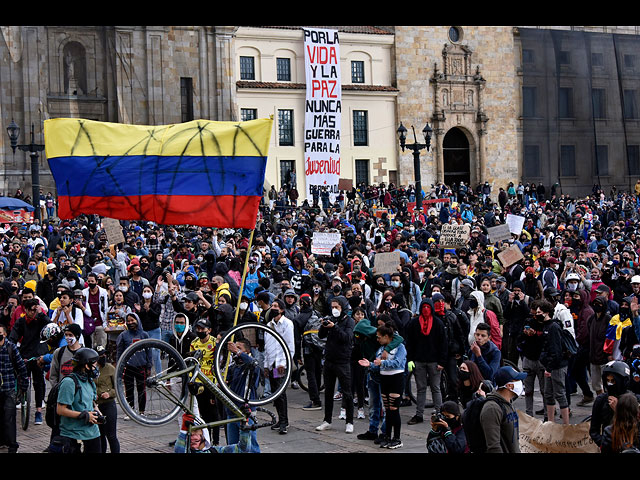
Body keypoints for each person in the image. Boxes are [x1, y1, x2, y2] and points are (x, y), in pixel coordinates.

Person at [358, 323, 407, 449]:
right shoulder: (381, 349)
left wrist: (382, 362)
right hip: (384, 379)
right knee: (388, 410)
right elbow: (378, 364)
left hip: (396, 378)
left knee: (394, 409)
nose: (378, 339)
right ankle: (387, 436)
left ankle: (397, 438)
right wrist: (370, 364)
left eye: (379, 337)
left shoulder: (400, 347)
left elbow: (397, 362)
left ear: (387, 336)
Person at [316, 295, 355, 434]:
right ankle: (327, 420)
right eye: (332, 307)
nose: (334, 310)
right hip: (329, 360)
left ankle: (349, 421)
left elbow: (347, 338)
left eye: (336, 307)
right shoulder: (330, 318)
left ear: (343, 308)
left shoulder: (349, 321)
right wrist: (324, 325)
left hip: (343, 361)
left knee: (347, 393)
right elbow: (321, 336)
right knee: (328, 392)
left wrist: (335, 327)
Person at [405, 298, 448, 424]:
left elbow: (443, 344)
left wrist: (442, 362)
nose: (425, 310)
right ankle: (419, 414)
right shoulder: (414, 324)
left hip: (434, 362)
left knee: (435, 387)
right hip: (419, 361)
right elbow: (410, 343)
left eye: (428, 307)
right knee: (421, 388)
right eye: (423, 307)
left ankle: (439, 413)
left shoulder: (438, 323)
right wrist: (410, 360)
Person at [8, 297, 50, 426]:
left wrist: (41, 313)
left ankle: (38, 410)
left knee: (39, 383)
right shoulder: (21, 322)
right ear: (25, 310)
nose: (33, 312)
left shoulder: (40, 320)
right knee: (22, 378)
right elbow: (13, 337)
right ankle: (21, 397)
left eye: (34, 310)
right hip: (25, 354)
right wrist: (13, 351)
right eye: (31, 310)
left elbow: (49, 325)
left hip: (38, 355)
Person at [55, 347, 102, 453]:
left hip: (92, 433)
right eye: (95, 365)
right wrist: (84, 415)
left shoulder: (89, 381)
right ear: (86, 365)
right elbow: (60, 410)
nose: (96, 368)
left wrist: (97, 413)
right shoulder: (69, 382)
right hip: (73, 434)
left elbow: (92, 403)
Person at [536, 299, 571, 424]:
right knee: (548, 394)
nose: (537, 314)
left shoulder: (553, 327)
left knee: (560, 394)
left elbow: (556, 351)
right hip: (549, 366)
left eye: (539, 312)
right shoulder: (546, 326)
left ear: (546, 313)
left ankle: (566, 425)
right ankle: (551, 422)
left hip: (557, 366)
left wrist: (549, 368)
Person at [479, 365, 526, 453]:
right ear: (509, 386)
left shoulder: (508, 403)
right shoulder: (492, 409)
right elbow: (494, 447)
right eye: (517, 380)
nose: (521, 382)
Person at [116, 312, 151, 422]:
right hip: (128, 366)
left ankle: (142, 412)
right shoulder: (123, 335)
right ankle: (130, 411)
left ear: (138, 321)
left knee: (142, 390)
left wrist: (149, 365)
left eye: (133, 320)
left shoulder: (144, 335)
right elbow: (119, 352)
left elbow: (148, 351)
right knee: (129, 390)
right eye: (129, 321)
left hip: (141, 366)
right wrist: (119, 366)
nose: (131, 323)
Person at [0, 323, 29, 453]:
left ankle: (12, 445)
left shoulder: (10, 347)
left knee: (9, 418)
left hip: (9, 388)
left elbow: (21, 367)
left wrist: (23, 386)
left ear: (5, 334)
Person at [94, 345, 120, 453]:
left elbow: (118, 388)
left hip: (109, 405)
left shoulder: (110, 368)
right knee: (100, 436)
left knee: (111, 436)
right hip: (96, 406)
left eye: (104, 354)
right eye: (100, 355)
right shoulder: (91, 368)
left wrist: (109, 394)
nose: (103, 357)